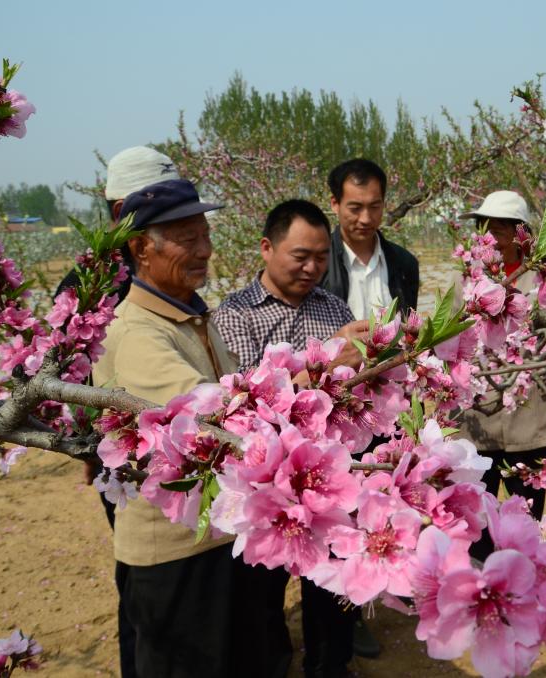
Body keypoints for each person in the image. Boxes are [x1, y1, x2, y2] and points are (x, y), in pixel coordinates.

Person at [92, 178, 273, 678]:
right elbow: (212, 418)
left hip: (213, 536)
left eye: (205, 235)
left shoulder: (188, 313)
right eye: (188, 238)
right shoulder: (135, 332)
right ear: (140, 248)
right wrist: (305, 385)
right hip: (174, 554)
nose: (205, 250)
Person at [213, 199, 370, 678]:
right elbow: (243, 404)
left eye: (321, 257)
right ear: (267, 248)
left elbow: (355, 388)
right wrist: (326, 363)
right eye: (300, 256)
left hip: (323, 481)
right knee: (260, 596)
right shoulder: (235, 315)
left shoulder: (334, 308)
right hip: (263, 485)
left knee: (328, 590)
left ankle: (331, 666)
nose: (312, 268)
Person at [56, 146, 180, 678]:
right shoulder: (88, 285)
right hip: (127, 454)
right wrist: (90, 446)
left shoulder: (166, 269)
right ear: (117, 213)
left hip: (176, 445)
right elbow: (69, 380)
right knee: (141, 575)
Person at [455, 191, 546, 562]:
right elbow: (451, 337)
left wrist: (536, 377)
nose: (492, 236)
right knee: (477, 525)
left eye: (502, 228)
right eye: (485, 227)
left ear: (523, 234)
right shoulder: (466, 277)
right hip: (477, 422)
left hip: (530, 421)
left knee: (525, 522)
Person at [56, 146, 180, 303]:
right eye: (164, 211)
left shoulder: (157, 266)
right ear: (121, 212)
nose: (179, 221)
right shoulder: (93, 285)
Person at [321, 158, 420, 319]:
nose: (366, 219)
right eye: (355, 208)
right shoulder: (317, 264)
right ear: (335, 204)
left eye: (374, 207)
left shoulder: (405, 264)